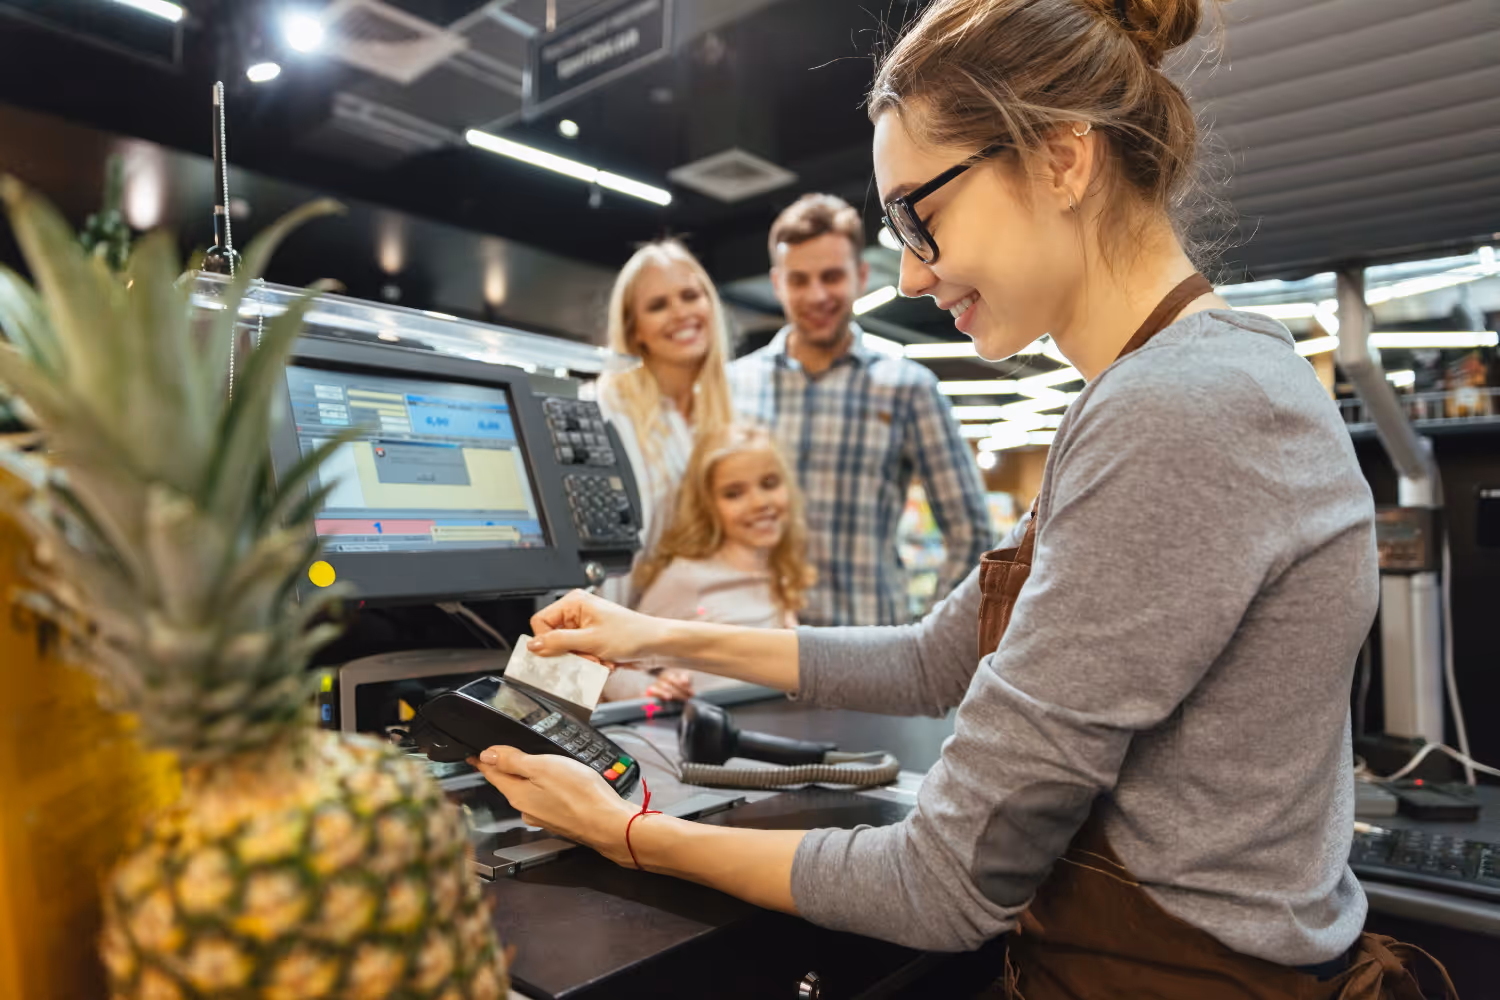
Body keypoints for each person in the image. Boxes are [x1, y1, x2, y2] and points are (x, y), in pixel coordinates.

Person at [472, 0, 1454, 996]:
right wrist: (651, 636)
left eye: (918, 213)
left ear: (1063, 160)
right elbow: (933, 656)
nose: (904, 270)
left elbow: (944, 882)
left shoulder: (1179, 412)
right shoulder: (1160, 390)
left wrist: (630, 832)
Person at [727, 192, 991, 627]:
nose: (816, 295)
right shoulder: (732, 387)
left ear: (861, 276)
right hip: (753, 651)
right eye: (798, 280)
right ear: (777, 284)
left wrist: (928, 640)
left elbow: (972, 534)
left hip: (869, 660)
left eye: (832, 276)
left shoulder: (908, 388)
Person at [602, 422, 814, 702]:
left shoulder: (780, 570)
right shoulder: (687, 580)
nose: (760, 502)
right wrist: (652, 690)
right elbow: (611, 666)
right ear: (708, 505)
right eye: (734, 493)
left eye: (769, 483)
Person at [594, 239, 733, 606]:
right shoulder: (605, 409)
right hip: (609, 639)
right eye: (657, 305)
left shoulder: (723, 415)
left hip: (680, 639)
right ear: (634, 328)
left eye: (690, 295)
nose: (680, 313)